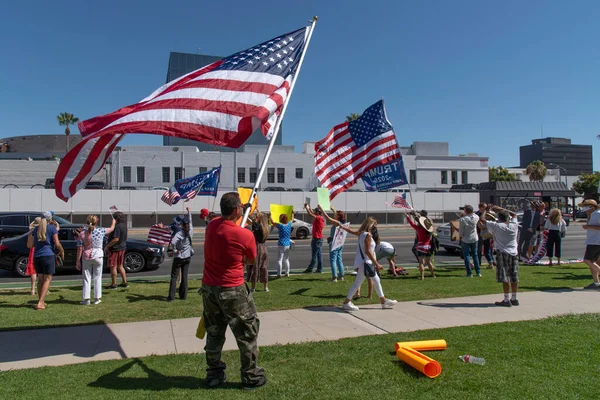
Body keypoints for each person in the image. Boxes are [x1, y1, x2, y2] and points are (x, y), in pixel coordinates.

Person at [201, 192, 266, 389]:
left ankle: (214, 374)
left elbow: (226, 229)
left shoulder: (212, 226)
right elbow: (251, 260)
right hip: (233, 290)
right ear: (237, 210)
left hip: (210, 289)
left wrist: (241, 213)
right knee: (247, 334)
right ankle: (251, 376)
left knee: (214, 333)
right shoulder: (244, 234)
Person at [339, 217, 396, 311]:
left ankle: (383, 301)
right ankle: (346, 303)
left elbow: (351, 231)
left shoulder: (361, 233)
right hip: (366, 263)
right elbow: (368, 251)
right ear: (370, 225)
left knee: (375, 281)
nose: (375, 227)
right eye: (374, 225)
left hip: (364, 263)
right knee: (359, 283)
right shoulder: (367, 235)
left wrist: (343, 227)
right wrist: (377, 263)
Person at [479, 206, 520, 306]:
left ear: (499, 218)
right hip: (514, 253)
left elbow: (482, 220)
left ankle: (506, 299)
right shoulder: (514, 225)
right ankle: (514, 298)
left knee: (505, 276)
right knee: (514, 276)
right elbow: (514, 214)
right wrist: (501, 209)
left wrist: (486, 210)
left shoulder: (497, 226)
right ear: (508, 218)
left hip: (502, 252)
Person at [27, 211, 64, 310]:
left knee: (41, 279)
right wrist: (62, 250)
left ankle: (41, 301)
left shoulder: (36, 229)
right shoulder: (52, 228)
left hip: (37, 256)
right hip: (48, 255)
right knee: (47, 279)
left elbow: (31, 244)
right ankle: (40, 302)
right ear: (50, 219)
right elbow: (57, 243)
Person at [76, 215, 116, 305]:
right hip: (98, 255)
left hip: (87, 256)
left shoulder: (82, 233)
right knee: (97, 277)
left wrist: (78, 261)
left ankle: (86, 299)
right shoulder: (100, 230)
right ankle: (97, 298)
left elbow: (79, 248)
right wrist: (113, 222)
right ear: (96, 222)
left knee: (87, 278)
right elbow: (111, 229)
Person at [167, 207, 193, 301]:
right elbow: (190, 221)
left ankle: (171, 296)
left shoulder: (179, 234)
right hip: (187, 257)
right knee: (185, 276)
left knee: (174, 276)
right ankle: (183, 296)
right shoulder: (190, 231)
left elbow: (173, 242)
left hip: (179, 257)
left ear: (181, 225)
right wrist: (189, 212)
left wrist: (174, 250)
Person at [318, 205, 346, 282]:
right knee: (339, 259)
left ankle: (334, 277)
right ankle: (341, 276)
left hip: (334, 243)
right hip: (340, 243)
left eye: (335, 214)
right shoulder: (342, 222)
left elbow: (328, 218)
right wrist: (333, 209)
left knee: (333, 260)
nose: (334, 215)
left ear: (338, 217)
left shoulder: (337, 223)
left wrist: (321, 209)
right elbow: (335, 216)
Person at [406, 210, 435, 280]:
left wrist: (408, 217)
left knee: (421, 262)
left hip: (420, 246)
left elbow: (412, 224)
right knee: (428, 262)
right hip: (428, 246)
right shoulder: (429, 230)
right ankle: (433, 274)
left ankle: (422, 276)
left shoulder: (418, 228)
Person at [247, 210, 270, 292]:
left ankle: (253, 287)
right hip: (264, 247)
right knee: (264, 267)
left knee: (255, 266)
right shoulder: (266, 227)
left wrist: (245, 213)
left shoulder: (258, 226)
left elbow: (249, 221)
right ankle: (265, 287)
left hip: (257, 247)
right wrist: (258, 211)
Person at [105, 212, 129, 289]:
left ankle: (114, 284)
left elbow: (116, 239)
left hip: (115, 249)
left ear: (116, 219)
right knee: (120, 265)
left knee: (113, 266)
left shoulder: (117, 226)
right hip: (122, 248)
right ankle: (125, 282)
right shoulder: (124, 225)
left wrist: (107, 246)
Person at [580, 199, 600, 290]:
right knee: (592, 262)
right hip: (592, 241)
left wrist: (588, 227)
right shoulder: (592, 215)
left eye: (586, 206)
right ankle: (596, 283)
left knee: (587, 260)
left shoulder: (598, 214)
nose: (584, 208)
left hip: (596, 242)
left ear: (592, 206)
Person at [459, 205, 481, 277]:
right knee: (475, 255)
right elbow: (474, 215)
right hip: (474, 238)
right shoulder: (476, 217)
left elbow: (461, 231)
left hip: (465, 238)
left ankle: (469, 273)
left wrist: (460, 236)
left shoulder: (463, 219)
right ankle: (478, 272)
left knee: (467, 256)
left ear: (465, 211)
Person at [303, 203, 325, 273]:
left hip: (317, 239)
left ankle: (310, 268)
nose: (314, 212)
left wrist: (306, 207)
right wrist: (309, 207)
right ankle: (319, 269)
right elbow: (312, 212)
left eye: (315, 211)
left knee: (314, 255)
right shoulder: (320, 218)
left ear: (318, 212)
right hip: (319, 239)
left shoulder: (318, 218)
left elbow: (310, 214)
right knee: (319, 255)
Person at [270, 213, 292, 277]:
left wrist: (270, 216)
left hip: (281, 244)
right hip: (288, 243)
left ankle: (279, 273)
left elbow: (273, 222)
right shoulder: (289, 224)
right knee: (286, 259)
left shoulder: (280, 226)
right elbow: (292, 219)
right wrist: (292, 213)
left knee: (279, 260)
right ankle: (287, 273)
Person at [25, 217, 42, 295]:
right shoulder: (43, 231)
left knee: (33, 271)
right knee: (42, 271)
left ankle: (32, 289)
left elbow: (29, 245)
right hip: (41, 250)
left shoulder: (31, 232)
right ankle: (43, 287)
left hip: (33, 250)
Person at [476, 203, 495, 269]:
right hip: (479, 233)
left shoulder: (488, 213)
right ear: (480, 207)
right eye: (484, 207)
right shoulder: (477, 214)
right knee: (479, 249)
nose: (486, 208)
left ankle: (491, 262)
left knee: (488, 249)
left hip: (487, 233)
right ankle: (478, 262)